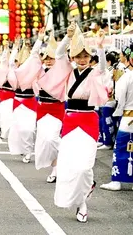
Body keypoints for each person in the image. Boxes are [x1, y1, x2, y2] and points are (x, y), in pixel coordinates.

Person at [39, 23, 109, 223]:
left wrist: (101, 46)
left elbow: (103, 67)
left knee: (84, 167)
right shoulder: (68, 71)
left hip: (88, 120)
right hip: (70, 121)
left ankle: (87, 187)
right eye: (78, 56)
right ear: (73, 57)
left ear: (90, 57)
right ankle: (82, 204)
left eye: (86, 56)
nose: (82, 59)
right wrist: (68, 38)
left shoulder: (94, 72)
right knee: (68, 166)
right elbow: (59, 54)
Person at [16, 30, 65, 182]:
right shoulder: (40, 71)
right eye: (46, 58)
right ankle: (55, 168)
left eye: (52, 58)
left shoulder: (62, 72)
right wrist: (39, 40)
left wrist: (67, 39)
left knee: (52, 139)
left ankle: (65, 155)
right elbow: (33, 58)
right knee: (45, 141)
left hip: (57, 109)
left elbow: (64, 58)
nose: (49, 61)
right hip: (43, 110)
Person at [100, 45, 133, 191]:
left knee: (120, 148)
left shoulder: (126, 77)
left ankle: (117, 180)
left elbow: (120, 98)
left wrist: (117, 113)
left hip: (128, 117)